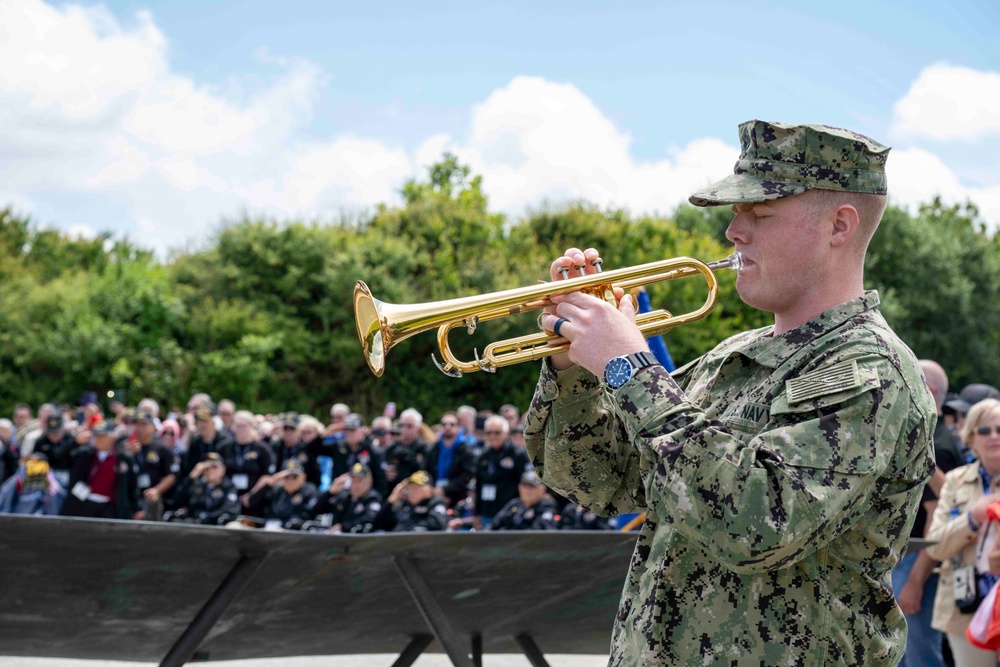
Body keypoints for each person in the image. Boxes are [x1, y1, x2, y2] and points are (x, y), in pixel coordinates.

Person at [526, 120, 935, 665]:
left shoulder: (871, 371)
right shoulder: (733, 356)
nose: (734, 233)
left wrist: (628, 367)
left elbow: (755, 523)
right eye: (738, 214)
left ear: (839, 226)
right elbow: (605, 483)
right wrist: (574, 365)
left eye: (760, 214)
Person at [926, 398, 1000, 667]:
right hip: (966, 605)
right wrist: (971, 519)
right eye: (984, 430)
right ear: (970, 436)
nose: (993, 436)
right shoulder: (955, 481)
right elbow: (935, 547)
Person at [60, 419, 139, 520]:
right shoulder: (85, 454)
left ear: (112, 437)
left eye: (102, 436)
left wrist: (136, 508)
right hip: (84, 504)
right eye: (96, 436)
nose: (98, 439)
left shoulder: (122, 458)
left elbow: (132, 485)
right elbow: (61, 461)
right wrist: (75, 443)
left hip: (110, 507)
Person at [474, 415, 531, 529]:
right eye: (489, 433)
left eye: (497, 432)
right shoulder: (484, 455)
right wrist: (477, 514)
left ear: (506, 433)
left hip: (509, 511)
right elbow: (479, 485)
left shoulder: (518, 454)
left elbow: (526, 482)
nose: (492, 436)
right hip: (487, 510)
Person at [311, 462, 384, 534]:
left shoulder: (372, 498)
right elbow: (317, 511)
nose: (355, 486)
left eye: (359, 481)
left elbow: (370, 519)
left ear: (369, 482)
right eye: (353, 481)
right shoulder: (344, 497)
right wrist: (330, 493)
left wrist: (343, 526)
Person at [171, 452, 240, 525]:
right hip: (195, 523)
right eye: (206, 468)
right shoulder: (197, 485)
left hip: (218, 523)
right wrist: (191, 477)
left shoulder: (228, 486)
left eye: (214, 467)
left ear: (223, 469)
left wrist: (208, 516)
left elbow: (230, 509)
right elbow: (177, 500)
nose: (210, 470)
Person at [426, 411, 477, 508]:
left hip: (457, 497)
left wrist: (445, 489)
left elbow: (467, 475)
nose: (447, 427)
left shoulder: (466, 450)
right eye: (444, 424)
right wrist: (433, 489)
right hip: (434, 495)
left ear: (459, 427)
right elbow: (427, 471)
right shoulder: (433, 449)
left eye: (452, 424)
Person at [378, 470, 448, 532]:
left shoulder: (435, 503)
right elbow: (380, 524)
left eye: (417, 488)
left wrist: (407, 530)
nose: (412, 491)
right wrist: (392, 499)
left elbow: (436, 525)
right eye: (410, 488)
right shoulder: (404, 506)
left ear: (429, 490)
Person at [488, 471, 558, 531]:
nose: (527, 491)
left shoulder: (547, 507)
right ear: (519, 488)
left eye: (531, 487)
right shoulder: (514, 504)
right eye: (525, 486)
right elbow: (495, 523)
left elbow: (539, 531)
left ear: (542, 489)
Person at [0, 453, 65, 515]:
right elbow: (61, 495)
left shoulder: (21, 475)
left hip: (21, 516)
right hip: (45, 518)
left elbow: (6, 494)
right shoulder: (52, 478)